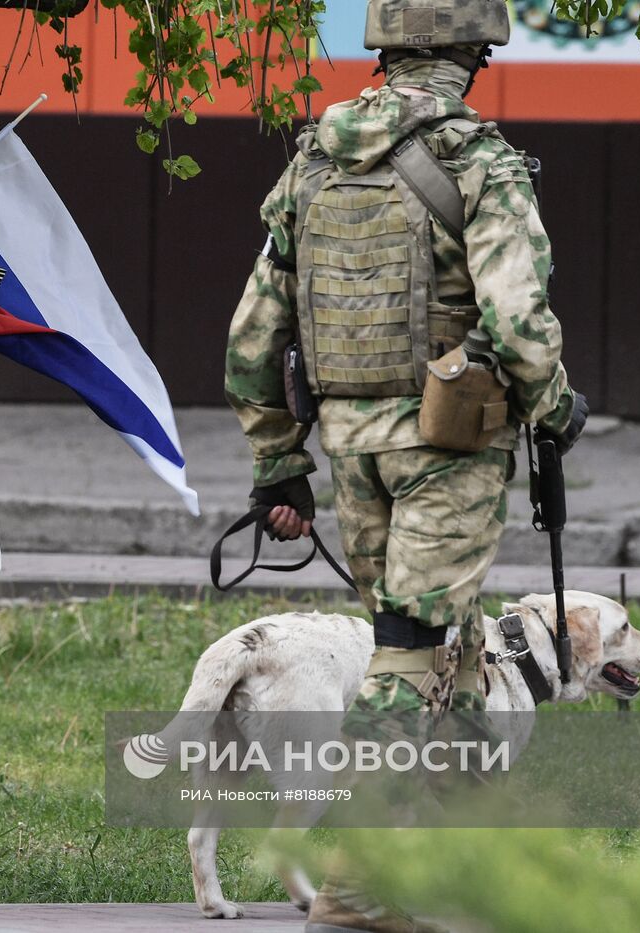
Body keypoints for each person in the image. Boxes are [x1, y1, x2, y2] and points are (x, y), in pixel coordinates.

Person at [224, 1, 584, 929]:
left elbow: (254, 332)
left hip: (351, 446)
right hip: (450, 448)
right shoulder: (479, 160)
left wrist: (276, 461)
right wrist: (555, 406)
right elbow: (516, 322)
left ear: (385, 53)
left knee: (450, 647)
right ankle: (359, 883)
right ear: (472, 55)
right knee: (413, 651)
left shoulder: (315, 159)